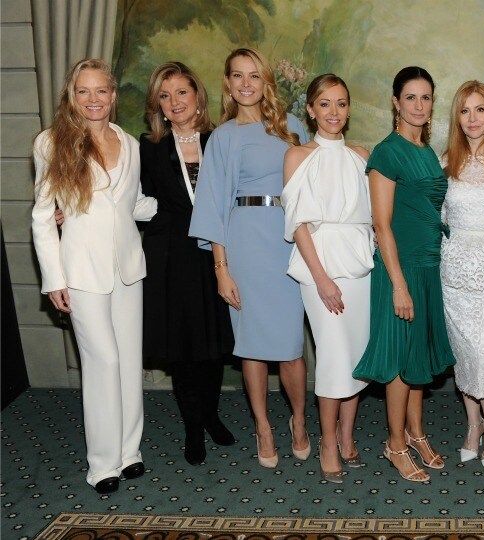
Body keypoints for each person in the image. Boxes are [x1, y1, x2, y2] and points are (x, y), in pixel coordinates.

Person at [31, 58, 157, 494]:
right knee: (102, 361)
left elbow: (135, 203)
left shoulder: (130, 143)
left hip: (127, 266)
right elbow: (43, 216)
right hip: (81, 269)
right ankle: (102, 464)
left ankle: (129, 452)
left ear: (113, 95)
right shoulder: (51, 143)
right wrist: (53, 278)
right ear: (72, 96)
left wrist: (181, 204)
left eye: (100, 90)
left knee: (128, 360)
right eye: (83, 92)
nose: (92, 100)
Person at [189, 48, 310, 469]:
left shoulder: (292, 127)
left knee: (292, 346)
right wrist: (221, 269)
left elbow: (319, 177)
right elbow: (213, 206)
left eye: (254, 75)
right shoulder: (222, 137)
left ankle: (298, 420)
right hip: (243, 244)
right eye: (237, 76)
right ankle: (262, 425)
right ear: (228, 83)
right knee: (252, 348)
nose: (246, 83)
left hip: (289, 242)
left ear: (265, 82)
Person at [353, 66, 455, 483]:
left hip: (429, 266)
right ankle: (394, 443)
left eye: (426, 98)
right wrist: (398, 284)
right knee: (398, 361)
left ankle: (415, 432)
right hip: (400, 268)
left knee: (419, 357)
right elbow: (382, 225)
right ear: (396, 102)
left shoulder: (427, 151)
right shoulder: (387, 152)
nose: (418, 105)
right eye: (410, 97)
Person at [138, 62, 236, 466]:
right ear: (157, 105)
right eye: (165, 95)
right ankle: (192, 427)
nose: (175, 101)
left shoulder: (220, 141)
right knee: (183, 349)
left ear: (197, 96)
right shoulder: (148, 147)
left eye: (182, 92)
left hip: (217, 257)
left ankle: (211, 414)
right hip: (171, 260)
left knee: (212, 345)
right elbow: (133, 201)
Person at [282, 73, 372, 483]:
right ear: (312, 109)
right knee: (334, 355)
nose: (334, 112)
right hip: (319, 266)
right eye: (325, 104)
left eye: (341, 103)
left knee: (357, 357)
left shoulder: (360, 155)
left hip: (360, 265)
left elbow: (375, 216)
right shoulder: (298, 155)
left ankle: (348, 438)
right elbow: (298, 222)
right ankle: (327, 442)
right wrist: (320, 278)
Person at [440, 80, 484, 473]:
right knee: (463, 353)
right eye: (465, 110)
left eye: (479, 109)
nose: (472, 118)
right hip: (452, 271)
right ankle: (472, 426)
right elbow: (439, 219)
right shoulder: (445, 162)